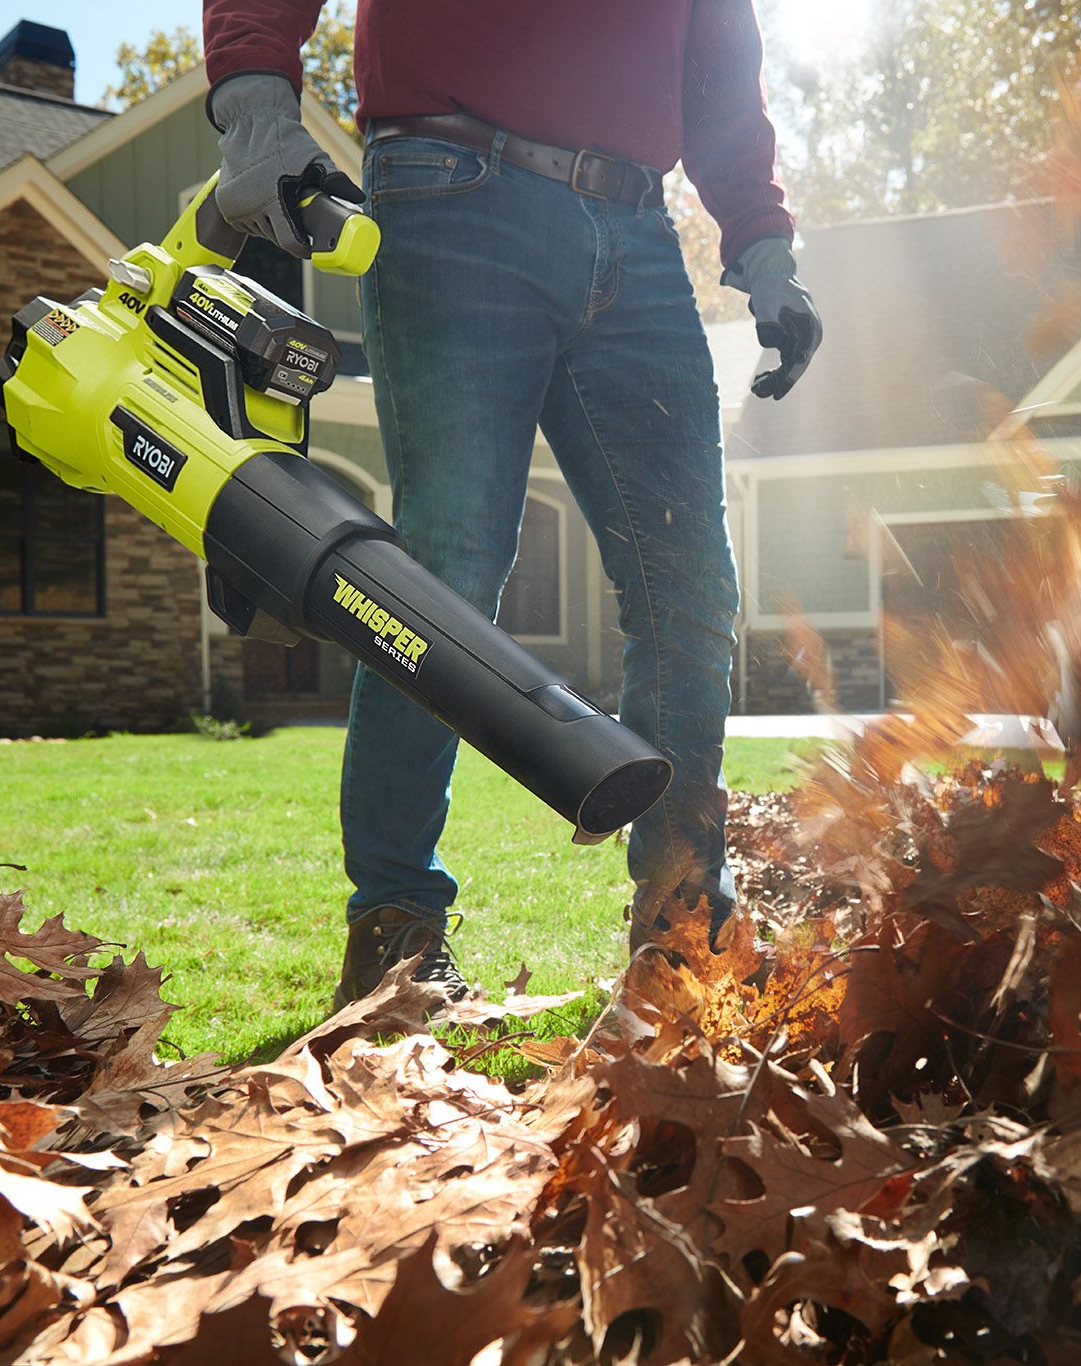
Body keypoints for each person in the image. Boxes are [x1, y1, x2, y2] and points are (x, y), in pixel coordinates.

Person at [201, 2, 822, 1008]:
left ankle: (681, 924)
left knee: (690, 582)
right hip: (450, 187)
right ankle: (395, 931)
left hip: (636, 226)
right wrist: (260, 114)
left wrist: (764, 254)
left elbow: (720, 75)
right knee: (442, 573)